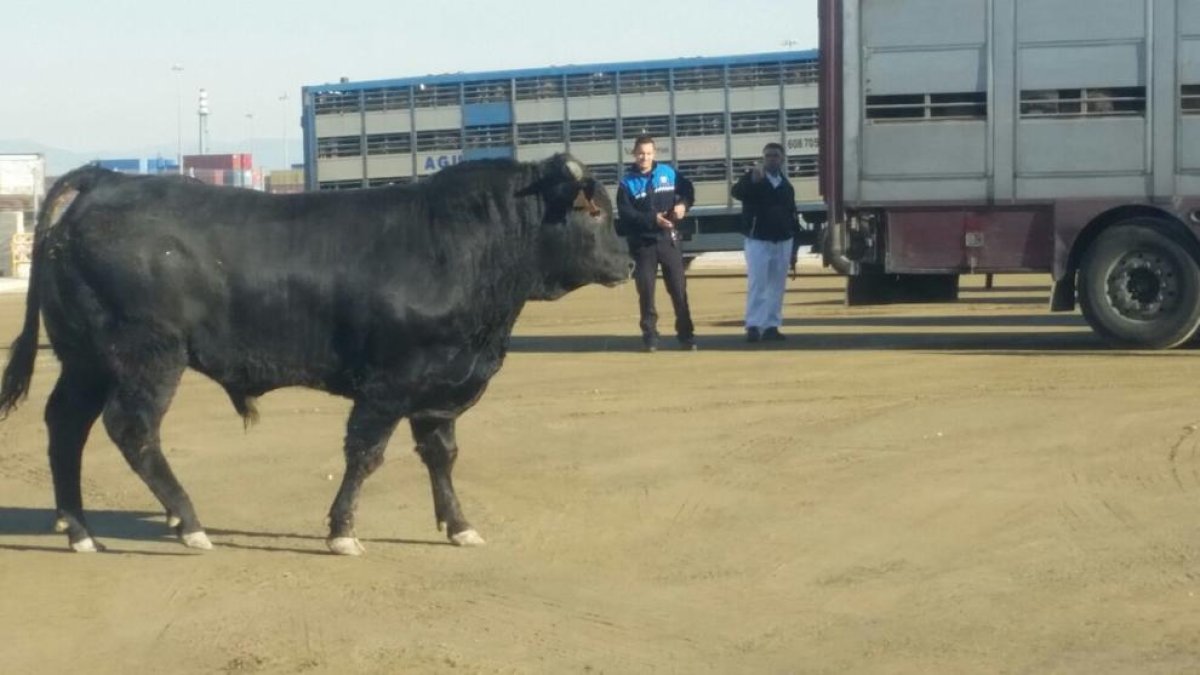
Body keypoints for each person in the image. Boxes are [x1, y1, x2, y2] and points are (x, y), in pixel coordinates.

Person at [616, 135, 697, 352]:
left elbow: (688, 191)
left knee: (679, 290)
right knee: (646, 291)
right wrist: (652, 219)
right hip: (643, 245)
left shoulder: (668, 173)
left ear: (654, 154)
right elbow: (626, 214)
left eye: (649, 153)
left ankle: (686, 335)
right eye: (641, 153)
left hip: (668, 241)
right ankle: (650, 337)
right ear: (634, 153)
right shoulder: (626, 183)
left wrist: (683, 205)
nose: (645, 157)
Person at [731, 142, 802, 343]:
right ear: (763, 159)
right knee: (757, 283)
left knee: (777, 286)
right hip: (758, 240)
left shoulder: (786, 186)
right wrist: (751, 181)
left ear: (782, 159)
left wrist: (794, 248)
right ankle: (753, 325)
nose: (772, 159)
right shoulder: (755, 179)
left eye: (776, 155)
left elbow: (793, 215)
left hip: (783, 240)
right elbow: (736, 192)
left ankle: (771, 325)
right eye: (768, 155)